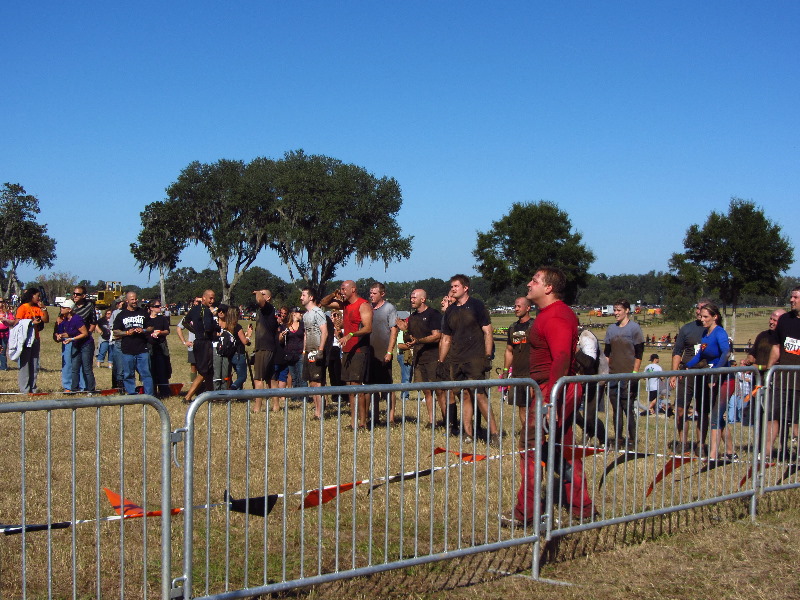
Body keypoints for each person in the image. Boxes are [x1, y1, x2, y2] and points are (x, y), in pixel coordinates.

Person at [509, 267, 594, 524]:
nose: (529, 283)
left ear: (548, 288)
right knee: (565, 449)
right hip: (555, 387)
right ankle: (582, 507)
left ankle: (527, 510)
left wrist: (550, 401)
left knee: (529, 447)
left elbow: (562, 357)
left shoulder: (556, 315)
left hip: (554, 389)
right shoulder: (549, 314)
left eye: (535, 280)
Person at [437, 274, 499, 444]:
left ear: (465, 288)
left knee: (479, 395)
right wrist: (441, 361)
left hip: (475, 358)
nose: (453, 289)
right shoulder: (450, 311)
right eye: (451, 286)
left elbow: (488, 331)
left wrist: (487, 356)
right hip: (457, 359)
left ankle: (494, 433)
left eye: (456, 286)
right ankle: (468, 433)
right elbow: (446, 338)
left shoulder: (477, 305)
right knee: (464, 395)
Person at [321, 281, 373, 429]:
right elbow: (323, 303)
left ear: (353, 289)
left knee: (357, 387)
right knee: (350, 387)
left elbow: (368, 328)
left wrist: (351, 334)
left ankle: (362, 422)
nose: (342, 291)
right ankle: (353, 422)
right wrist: (334, 294)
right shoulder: (344, 305)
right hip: (347, 350)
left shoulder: (363, 305)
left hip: (359, 350)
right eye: (341, 289)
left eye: (344, 289)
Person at [685, 303, 731, 460]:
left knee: (716, 416)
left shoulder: (720, 332)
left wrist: (716, 373)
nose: (702, 319)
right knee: (715, 416)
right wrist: (686, 366)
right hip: (710, 377)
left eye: (705, 317)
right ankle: (730, 451)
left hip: (722, 378)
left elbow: (726, 353)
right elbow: (700, 355)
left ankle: (713, 455)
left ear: (715, 317)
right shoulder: (705, 333)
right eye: (701, 316)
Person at [397, 289, 447, 430]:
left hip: (433, 357)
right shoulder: (412, 317)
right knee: (426, 391)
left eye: (414, 297)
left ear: (423, 299)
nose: (411, 300)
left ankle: (447, 420)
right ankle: (432, 421)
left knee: (439, 390)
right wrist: (405, 330)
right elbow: (410, 339)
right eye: (411, 297)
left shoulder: (433, 314)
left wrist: (418, 341)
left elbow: (437, 336)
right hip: (419, 359)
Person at [669, 299, 713, 454]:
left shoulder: (714, 329)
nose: (700, 311)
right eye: (698, 308)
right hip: (686, 374)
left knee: (703, 411)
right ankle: (683, 443)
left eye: (703, 309)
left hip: (705, 375)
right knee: (680, 409)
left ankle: (701, 445)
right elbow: (677, 352)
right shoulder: (687, 328)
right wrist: (674, 373)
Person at [604, 299, 645, 448]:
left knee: (628, 407)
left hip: (628, 374)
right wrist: (605, 372)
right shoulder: (611, 329)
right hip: (613, 374)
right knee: (616, 410)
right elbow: (607, 353)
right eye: (614, 310)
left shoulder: (634, 328)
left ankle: (632, 440)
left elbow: (639, 353)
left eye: (619, 310)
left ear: (627, 310)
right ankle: (618, 439)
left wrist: (635, 373)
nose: (616, 313)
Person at [765, 287, 800, 459]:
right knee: (774, 415)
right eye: (791, 297)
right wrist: (768, 371)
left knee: (797, 420)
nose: (791, 300)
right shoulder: (785, 319)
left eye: (795, 297)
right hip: (783, 379)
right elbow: (777, 347)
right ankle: (766, 453)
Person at [6, 288, 50, 393]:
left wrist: (43, 308)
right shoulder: (23, 307)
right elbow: (18, 323)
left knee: (34, 363)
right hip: (25, 339)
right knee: (25, 364)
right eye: (37, 296)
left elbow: (46, 320)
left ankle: (33, 387)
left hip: (35, 338)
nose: (39, 298)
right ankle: (25, 389)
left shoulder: (37, 307)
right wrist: (31, 322)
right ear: (32, 295)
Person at [112, 291, 154, 396]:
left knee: (146, 373)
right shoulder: (121, 315)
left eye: (135, 299)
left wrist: (143, 330)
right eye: (132, 299)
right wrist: (126, 333)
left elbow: (151, 327)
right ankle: (132, 394)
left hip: (142, 348)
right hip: (127, 349)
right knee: (128, 374)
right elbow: (115, 331)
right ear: (127, 301)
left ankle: (149, 395)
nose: (135, 301)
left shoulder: (143, 312)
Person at [367, 283, 398, 424]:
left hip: (384, 352)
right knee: (372, 386)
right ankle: (375, 417)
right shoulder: (368, 308)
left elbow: (394, 331)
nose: (371, 296)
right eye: (370, 293)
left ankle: (391, 418)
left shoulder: (389, 308)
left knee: (387, 386)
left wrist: (389, 351)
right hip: (371, 353)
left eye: (374, 293)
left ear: (382, 294)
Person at [182, 290, 219, 403]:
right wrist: (216, 327)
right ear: (204, 298)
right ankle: (187, 397)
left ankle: (211, 396)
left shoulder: (194, 309)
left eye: (213, 298)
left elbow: (185, 322)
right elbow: (208, 328)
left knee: (209, 371)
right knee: (204, 372)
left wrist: (196, 331)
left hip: (198, 342)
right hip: (205, 343)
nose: (212, 301)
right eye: (210, 298)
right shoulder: (207, 311)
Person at [573, 325, 607, 444]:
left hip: (596, 379)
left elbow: (588, 363)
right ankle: (587, 430)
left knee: (589, 416)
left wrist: (574, 349)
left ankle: (604, 441)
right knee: (572, 412)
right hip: (579, 380)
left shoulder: (587, 336)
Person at [501, 297, 533, 423]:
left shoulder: (535, 325)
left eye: (519, 306)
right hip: (517, 374)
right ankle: (526, 432)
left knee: (533, 407)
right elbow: (509, 351)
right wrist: (505, 371)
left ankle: (538, 432)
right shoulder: (513, 328)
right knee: (522, 407)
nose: (516, 309)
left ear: (528, 308)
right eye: (515, 306)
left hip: (532, 373)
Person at [53, 299, 95, 393]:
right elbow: (69, 333)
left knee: (86, 368)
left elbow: (85, 333)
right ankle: (74, 389)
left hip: (86, 345)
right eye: (61, 307)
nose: (61, 309)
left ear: (69, 309)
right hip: (77, 344)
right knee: (75, 367)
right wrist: (60, 335)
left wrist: (71, 339)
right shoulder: (66, 320)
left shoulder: (77, 319)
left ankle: (90, 389)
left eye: (64, 307)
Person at [301, 288, 329, 419]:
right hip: (309, 350)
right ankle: (317, 409)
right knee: (312, 381)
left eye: (303, 295)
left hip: (317, 350)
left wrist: (321, 350)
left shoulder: (318, 312)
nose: (301, 297)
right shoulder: (305, 315)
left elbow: (325, 332)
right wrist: (304, 350)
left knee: (317, 381)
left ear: (311, 297)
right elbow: (306, 334)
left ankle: (319, 412)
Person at [251, 289, 278, 413]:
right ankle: (276, 406)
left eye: (263, 294)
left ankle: (257, 407)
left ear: (268, 298)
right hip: (268, 347)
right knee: (271, 378)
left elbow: (260, 301)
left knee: (258, 378)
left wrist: (257, 292)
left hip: (264, 348)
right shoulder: (265, 310)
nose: (260, 296)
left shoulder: (268, 308)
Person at [145, 300, 172, 397]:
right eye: (157, 306)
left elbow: (167, 331)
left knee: (162, 369)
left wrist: (159, 332)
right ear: (151, 308)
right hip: (149, 346)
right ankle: (152, 392)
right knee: (151, 369)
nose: (159, 308)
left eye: (160, 306)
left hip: (161, 346)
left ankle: (164, 392)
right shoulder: (146, 319)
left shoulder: (162, 318)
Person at [176, 297, 202, 385]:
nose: (197, 303)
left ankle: (203, 386)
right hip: (192, 346)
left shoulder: (206, 314)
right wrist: (184, 342)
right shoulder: (189, 316)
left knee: (204, 367)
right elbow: (179, 328)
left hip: (204, 345)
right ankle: (194, 386)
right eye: (196, 301)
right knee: (194, 367)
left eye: (199, 302)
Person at [0, 300, 11, 371]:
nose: (0, 303)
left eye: (1, 301)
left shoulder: (7, 312)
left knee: (3, 350)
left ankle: (3, 366)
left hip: (5, 334)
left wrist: (6, 320)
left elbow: (13, 321)